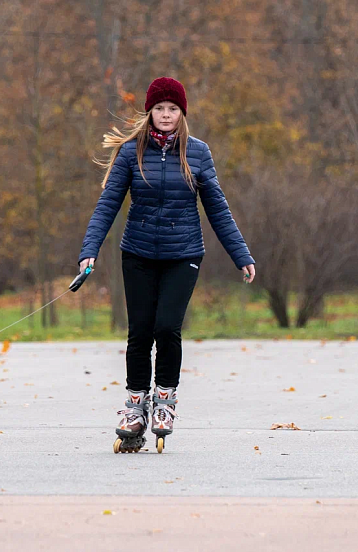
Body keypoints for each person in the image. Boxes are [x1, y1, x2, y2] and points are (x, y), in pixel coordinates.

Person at [78, 77, 256, 453]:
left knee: (167, 327)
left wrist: (241, 255)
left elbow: (218, 210)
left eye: (172, 109)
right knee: (140, 333)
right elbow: (107, 204)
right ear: (149, 112)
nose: (165, 115)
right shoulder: (131, 153)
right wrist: (89, 250)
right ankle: (135, 407)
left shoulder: (198, 153)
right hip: (138, 253)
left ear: (182, 113)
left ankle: (165, 401)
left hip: (183, 254)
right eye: (159, 108)